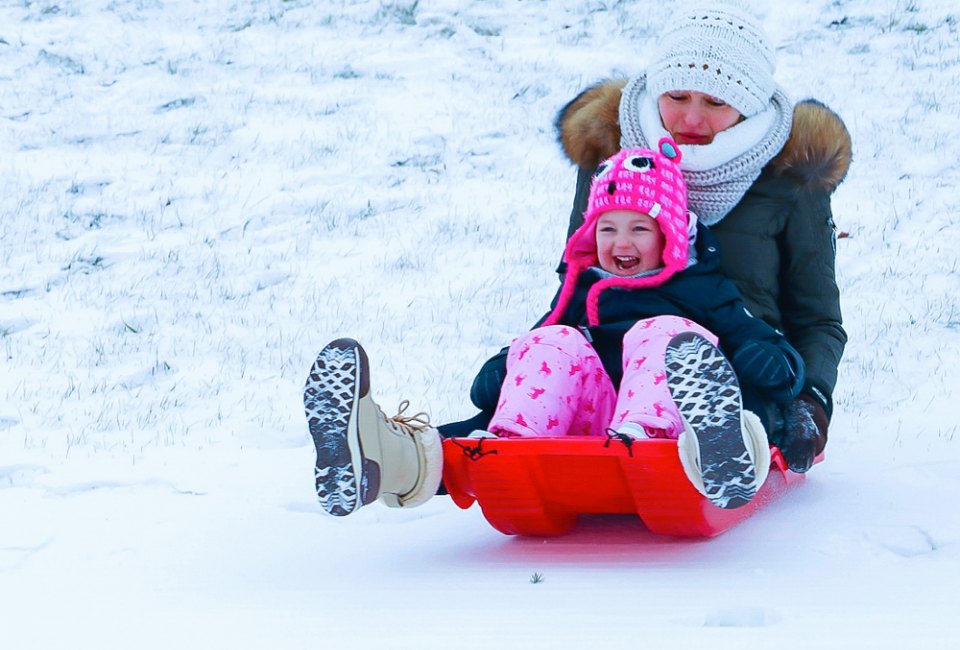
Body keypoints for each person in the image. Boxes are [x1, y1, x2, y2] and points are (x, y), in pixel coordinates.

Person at [304, 140, 805, 514]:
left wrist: (768, 361)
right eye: (607, 228)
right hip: (582, 429)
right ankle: (390, 456)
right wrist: (505, 365)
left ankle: (720, 450)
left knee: (667, 335)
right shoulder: (581, 288)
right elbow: (543, 347)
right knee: (552, 341)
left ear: (669, 235)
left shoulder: (703, 288)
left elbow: (760, 343)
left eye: (638, 227)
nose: (620, 241)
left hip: (669, 433)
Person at [545, 0, 852, 474]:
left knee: (734, 398)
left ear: (746, 106)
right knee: (543, 380)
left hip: (738, 370)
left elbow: (817, 318)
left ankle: (723, 446)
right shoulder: (615, 155)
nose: (690, 119)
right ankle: (454, 452)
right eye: (677, 96)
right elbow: (578, 279)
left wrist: (810, 402)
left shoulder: (790, 174)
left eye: (715, 102)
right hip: (613, 360)